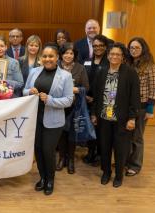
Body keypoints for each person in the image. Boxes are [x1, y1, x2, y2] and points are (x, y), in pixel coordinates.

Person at [23, 44, 74, 195]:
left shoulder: (65, 76)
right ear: (41, 58)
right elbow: (24, 90)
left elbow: (69, 100)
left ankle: (50, 180)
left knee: (48, 150)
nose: (47, 59)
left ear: (57, 57)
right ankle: (43, 178)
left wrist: (50, 100)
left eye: (51, 56)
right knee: (38, 150)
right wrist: (29, 91)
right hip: (34, 119)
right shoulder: (34, 72)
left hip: (53, 121)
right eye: (44, 56)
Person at [91, 43, 140, 188]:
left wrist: (132, 118)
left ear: (122, 57)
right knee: (105, 147)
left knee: (121, 149)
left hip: (122, 119)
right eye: (112, 54)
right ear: (108, 55)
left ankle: (119, 175)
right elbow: (96, 95)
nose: (114, 57)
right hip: (104, 117)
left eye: (118, 54)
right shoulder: (102, 71)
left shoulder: (130, 72)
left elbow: (135, 97)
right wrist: (94, 114)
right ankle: (106, 172)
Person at [125, 37, 155, 176]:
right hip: (127, 106)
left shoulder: (150, 66)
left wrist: (150, 110)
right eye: (131, 48)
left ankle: (135, 165)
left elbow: (154, 88)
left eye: (137, 48)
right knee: (126, 136)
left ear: (143, 49)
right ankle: (125, 161)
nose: (134, 50)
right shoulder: (127, 63)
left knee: (137, 137)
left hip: (142, 106)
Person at [56, 42, 89, 174]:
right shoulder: (55, 66)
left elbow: (86, 88)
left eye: (71, 53)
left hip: (74, 106)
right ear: (61, 54)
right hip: (58, 105)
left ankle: (70, 160)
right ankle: (62, 158)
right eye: (66, 53)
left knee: (71, 134)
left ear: (74, 55)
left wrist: (74, 89)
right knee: (61, 134)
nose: (68, 56)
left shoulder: (80, 68)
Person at [82, 34, 111, 166]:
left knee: (101, 130)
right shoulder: (87, 61)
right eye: (95, 46)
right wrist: (85, 96)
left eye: (100, 46)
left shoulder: (109, 63)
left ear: (105, 47)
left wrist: (95, 98)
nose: (98, 48)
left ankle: (100, 154)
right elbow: (83, 79)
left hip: (102, 101)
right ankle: (90, 151)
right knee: (89, 127)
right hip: (87, 100)